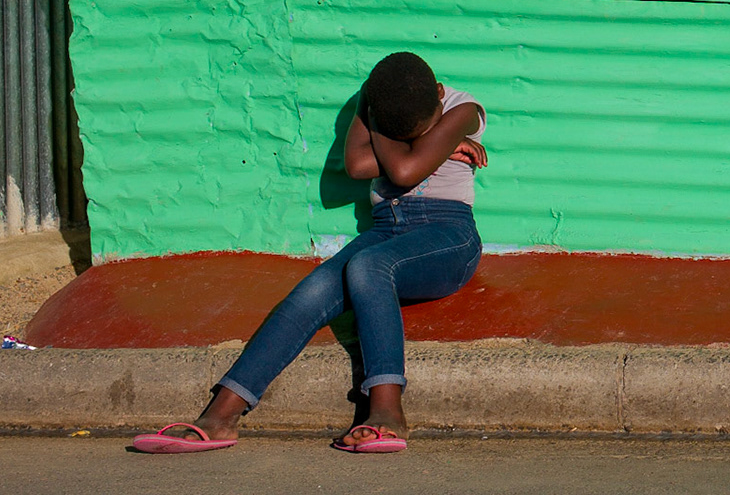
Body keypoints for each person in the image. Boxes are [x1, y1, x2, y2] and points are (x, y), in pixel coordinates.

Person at [132, 51, 488, 453]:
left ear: (439, 93)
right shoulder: (375, 101)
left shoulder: (463, 108)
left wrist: (397, 138)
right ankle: (221, 415)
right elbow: (357, 165)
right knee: (314, 288)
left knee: (369, 265)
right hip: (386, 229)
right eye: (392, 128)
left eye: (425, 128)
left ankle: (387, 411)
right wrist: (429, 144)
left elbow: (405, 171)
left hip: (447, 234)